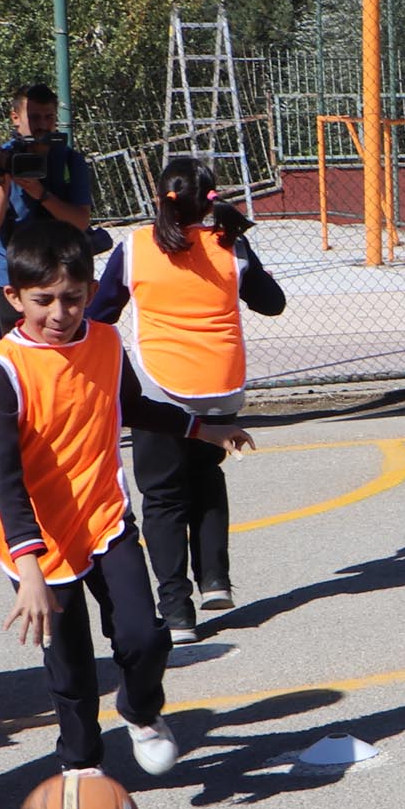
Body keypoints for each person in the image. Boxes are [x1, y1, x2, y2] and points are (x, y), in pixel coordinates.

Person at [0, 220, 254, 780]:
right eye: (44, 300)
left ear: (89, 293)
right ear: (13, 297)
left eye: (74, 299)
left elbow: (137, 408)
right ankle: (81, 765)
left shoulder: (105, 342)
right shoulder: (1, 369)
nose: (60, 313)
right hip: (39, 537)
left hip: (103, 517)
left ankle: (140, 711)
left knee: (145, 635)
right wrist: (29, 570)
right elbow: (6, 480)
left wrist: (204, 430)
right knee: (72, 664)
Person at [89, 157, 289, 643]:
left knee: (162, 498)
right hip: (221, 386)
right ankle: (215, 579)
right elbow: (272, 302)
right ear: (210, 200)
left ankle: (177, 611)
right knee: (207, 478)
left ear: (161, 199)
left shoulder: (135, 247)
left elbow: (101, 313)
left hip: (163, 389)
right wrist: (238, 243)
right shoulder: (230, 245)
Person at [0, 84, 97, 336]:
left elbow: (80, 221)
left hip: (61, 272)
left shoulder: (71, 161)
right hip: (9, 272)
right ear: (16, 118)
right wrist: (4, 182)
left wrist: (40, 193)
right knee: (19, 350)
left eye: (49, 117)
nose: (42, 125)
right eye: (34, 117)